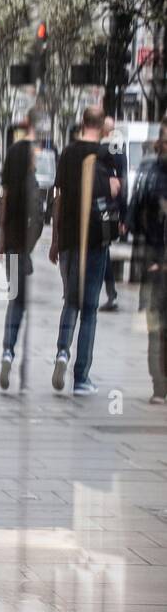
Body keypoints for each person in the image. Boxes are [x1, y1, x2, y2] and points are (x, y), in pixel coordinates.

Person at [49, 106, 120, 396]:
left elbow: (58, 197)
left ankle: (62, 352)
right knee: (90, 309)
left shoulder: (67, 153)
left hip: (68, 238)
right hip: (95, 242)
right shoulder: (107, 154)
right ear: (102, 125)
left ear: (81, 123)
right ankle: (81, 378)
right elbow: (114, 191)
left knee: (71, 302)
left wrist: (55, 239)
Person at [0, 110, 46, 392]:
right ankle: (12, 353)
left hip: (11, 248)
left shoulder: (10, 187)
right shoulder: (30, 183)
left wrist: (4, 242)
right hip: (22, 251)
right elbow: (38, 219)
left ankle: (7, 351)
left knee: (14, 300)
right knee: (20, 304)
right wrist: (29, 245)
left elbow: (2, 216)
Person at [126, 118, 167, 403]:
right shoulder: (150, 171)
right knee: (155, 327)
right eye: (164, 136)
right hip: (154, 260)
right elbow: (134, 213)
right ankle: (159, 385)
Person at [98, 115, 128, 312]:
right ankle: (110, 293)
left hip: (104, 207)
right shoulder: (118, 149)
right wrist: (124, 214)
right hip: (111, 207)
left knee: (102, 249)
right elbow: (123, 182)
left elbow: (121, 182)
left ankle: (111, 293)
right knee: (103, 248)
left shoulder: (107, 148)